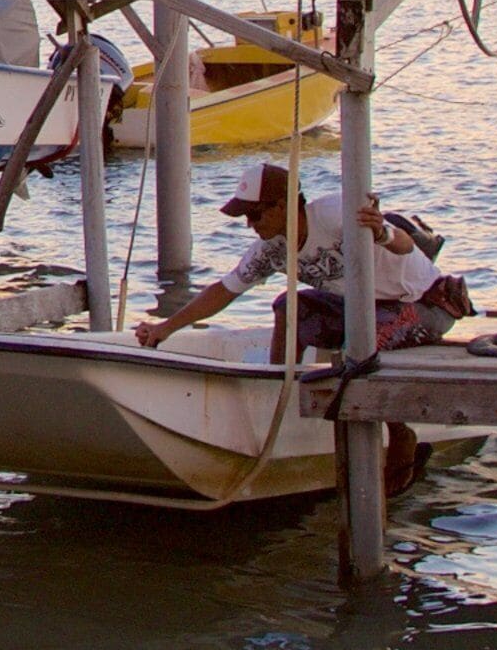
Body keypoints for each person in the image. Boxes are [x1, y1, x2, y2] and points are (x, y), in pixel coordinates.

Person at [135, 161, 460, 489]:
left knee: (361, 340)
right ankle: (280, 402)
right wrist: (165, 329)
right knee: (288, 307)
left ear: (282, 206)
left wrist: (381, 232)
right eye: (245, 217)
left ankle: (400, 432)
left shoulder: (334, 213)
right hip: (365, 309)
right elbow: (223, 291)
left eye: (255, 215)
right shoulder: (270, 251)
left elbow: (405, 244)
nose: (250, 225)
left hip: (425, 303)